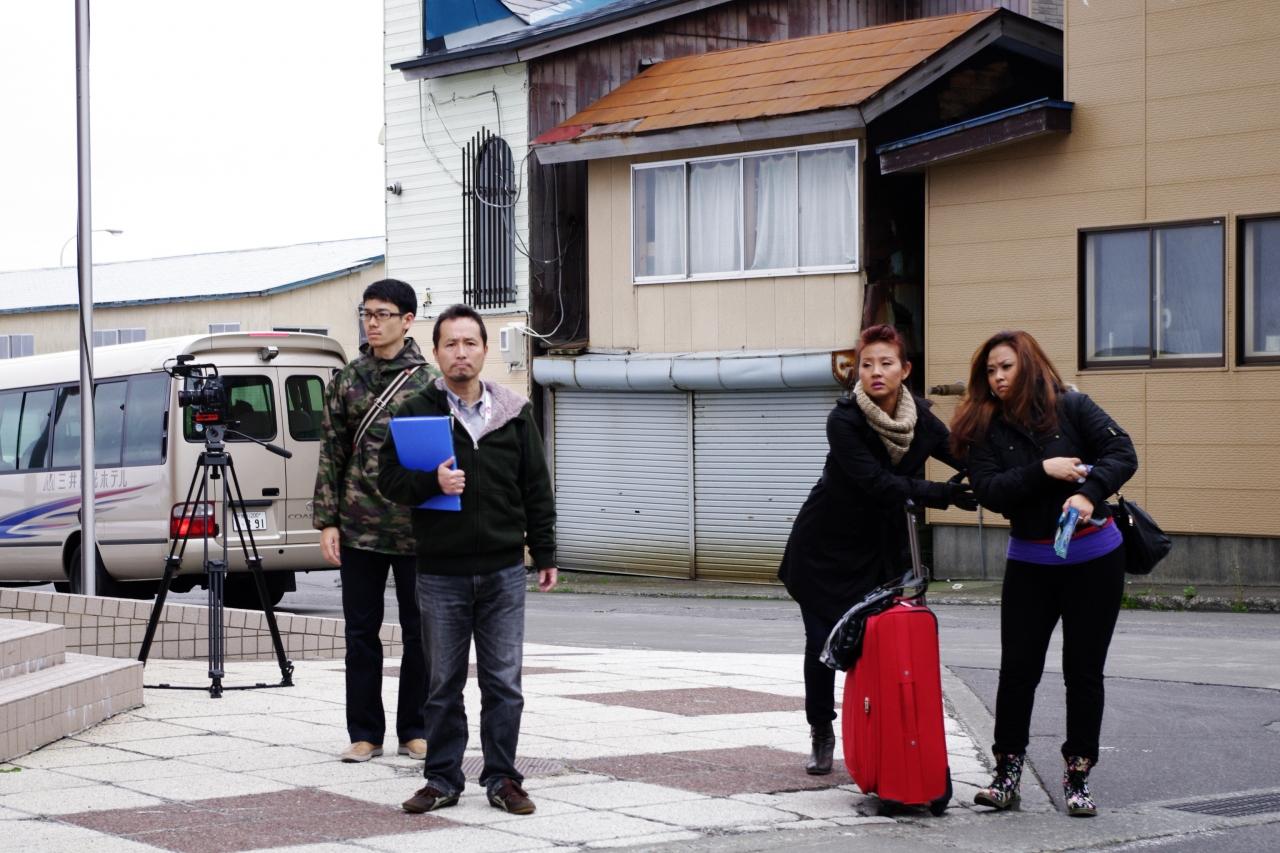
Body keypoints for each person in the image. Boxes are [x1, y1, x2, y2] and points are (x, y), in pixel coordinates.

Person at [378, 304, 557, 817]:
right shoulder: (416, 411)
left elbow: (535, 486)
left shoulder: (514, 412)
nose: (461, 352)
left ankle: (503, 779)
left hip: (504, 570)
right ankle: (442, 779)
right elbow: (387, 480)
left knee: (504, 683)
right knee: (442, 685)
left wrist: (544, 550)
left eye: (470, 343)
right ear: (436, 353)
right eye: (451, 344)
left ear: (484, 350)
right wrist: (430, 482)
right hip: (440, 571)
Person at [949, 330, 1137, 817]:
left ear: (1028, 365)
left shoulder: (1072, 406)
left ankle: (1078, 777)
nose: (998, 378)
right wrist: (1044, 470)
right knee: (1017, 671)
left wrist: (1089, 493)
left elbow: (1123, 452)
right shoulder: (984, 427)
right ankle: (1006, 776)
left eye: (1006, 367)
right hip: (1030, 564)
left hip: (1095, 560)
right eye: (990, 370)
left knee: (1083, 672)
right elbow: (990, 490)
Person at [778, 324, 976, 776]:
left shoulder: (919, 419)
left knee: (879, 645)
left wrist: (1011, 475)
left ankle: (879, 733)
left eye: (886, 363)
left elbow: (963, 455)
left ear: (905, 369)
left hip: (881, 549)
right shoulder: (844, 420)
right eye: (866, 364)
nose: (875, 372)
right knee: (823, 643)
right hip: (825, 548)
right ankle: (821, 731)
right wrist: (941, 495)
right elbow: (877, 483)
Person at [313, 278, 440, 763]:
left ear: (407, 320)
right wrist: (327, 521)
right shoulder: (347, 379)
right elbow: (331, 452)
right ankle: (364, 734)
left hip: (417, 529)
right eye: (366, 313)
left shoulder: (429, 383)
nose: (372, 322)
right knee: (360, 634)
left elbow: (443, 458)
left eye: (382, 314)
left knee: (421, 634)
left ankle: (416, 729)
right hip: (358, 526)